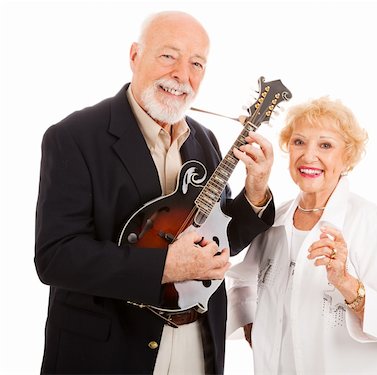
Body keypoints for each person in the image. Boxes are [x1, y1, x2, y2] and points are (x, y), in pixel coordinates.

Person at [35, 10, 275, 375]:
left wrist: (255, 193)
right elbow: (56, 257)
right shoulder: (74, 137)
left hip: (196, 347)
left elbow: (215, 242)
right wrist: (164, 266)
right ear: (135, 56)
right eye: (169, 55)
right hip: (109, 354)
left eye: (197, 63)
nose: (182, 75)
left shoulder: (205, 142)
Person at [226, 97, 377, 374]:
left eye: (325, 145)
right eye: (299, 142)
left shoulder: (368, 223)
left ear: (347, 157)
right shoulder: (275, 221)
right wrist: (260, 332)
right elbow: (244, 284)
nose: (309, 156)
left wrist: (346, 283)